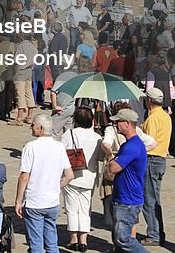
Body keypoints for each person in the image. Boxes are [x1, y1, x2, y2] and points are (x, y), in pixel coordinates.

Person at [15, 113, 74, 253]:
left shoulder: (30, 147)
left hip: (35, 201)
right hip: (52, 202)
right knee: (52, 243)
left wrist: (18, 200)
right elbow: (69, 175)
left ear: (40, 128)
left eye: (33, 125)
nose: (31, 128)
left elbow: (24, 176)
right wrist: (55, 186)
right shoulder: (59, 146)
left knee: (36, 245)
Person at [104, 108, 149, 253]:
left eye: (118, 122)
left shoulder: (132, 146)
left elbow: (113, 169)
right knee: (118, 242)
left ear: (127, 124)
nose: (115, 124)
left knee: (123, 239)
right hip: (121, 197)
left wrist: (110, 158)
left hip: (127, 201)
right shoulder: (127, 145)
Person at [61, 106, 103, 252]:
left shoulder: (69, 134)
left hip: (71, 176)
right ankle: (83, 240)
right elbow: (101, 157)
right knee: (85, 209)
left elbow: (61, 152)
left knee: (71, 208)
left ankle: (73, 238)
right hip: (89, 177)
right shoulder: (97, 137)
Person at [139, 87, 171, 246]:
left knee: (149, 200)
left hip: (152, 160)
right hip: (161, 160)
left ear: (149, 101)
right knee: (155, 199)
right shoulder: (165, 116)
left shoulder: (152, 119)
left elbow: (148, 142)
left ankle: (153, 234)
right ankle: (158, 231)